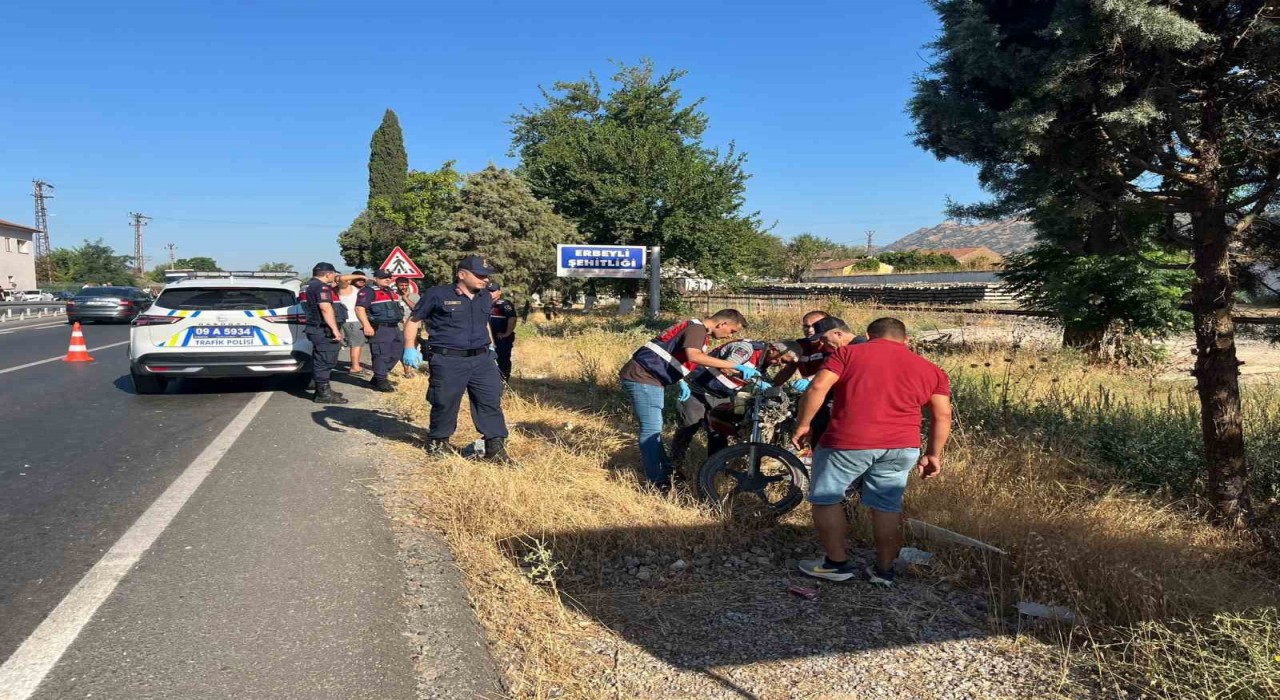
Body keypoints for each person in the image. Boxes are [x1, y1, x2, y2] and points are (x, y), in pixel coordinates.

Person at [792, 317, 953, 587]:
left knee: (826, 498)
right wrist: (933, 453)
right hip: (903, 446)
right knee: (886, 505)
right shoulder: (931, 369)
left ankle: (835, 565)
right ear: (906, 340)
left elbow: (818, 387)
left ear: (868, 335)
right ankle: (884, 571)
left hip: (847, 442)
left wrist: (804, 424)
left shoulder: (848, 353)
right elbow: (943, 414)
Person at [617, 309, 759, 493]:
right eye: (731, 331)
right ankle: (659, 483)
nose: (728, 336)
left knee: (654, 429)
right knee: (650, 430)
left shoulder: (696, 329)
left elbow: (675, 355)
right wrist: (734, 365)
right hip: (644, 377)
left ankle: (665, 472)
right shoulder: (697, 330)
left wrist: (680, 381)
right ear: (722, 324)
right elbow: (694, 356)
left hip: (650, 378)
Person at [401, 255, 511, 463]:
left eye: (486, 276)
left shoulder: (485, 297)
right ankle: (439, 443)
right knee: (444, 402)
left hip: (482, 359)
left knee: (490, 401)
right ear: (462, 274)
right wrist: (409, 348)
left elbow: (483, 323)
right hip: (448, 360)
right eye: (480, 275)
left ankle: (495, 450)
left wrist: (491, 348)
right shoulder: (437, 294)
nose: (485, 280)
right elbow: (414, 320)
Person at [671, 340, 800, 468]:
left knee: (718, 435)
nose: (780, 365)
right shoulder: (747, 349)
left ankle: (714, 471)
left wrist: (789, 371)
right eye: (783, 360)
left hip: (722, 396)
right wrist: (750, 377)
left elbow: (772, 384)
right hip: (697, 390)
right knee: (687, 429)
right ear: (773, 349)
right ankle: (674, 467)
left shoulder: (763, 362)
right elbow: (726, 367)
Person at [300, 262, 349, 405]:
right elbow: (325, 309)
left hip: (316, 328)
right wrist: (335, 330)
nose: (335, 276)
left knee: (321, 358)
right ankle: (323, 393)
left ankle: (322, 390)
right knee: (326, 360)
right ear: (328, 274)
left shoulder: (308, 285)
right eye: (333, 274)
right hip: (323, 329)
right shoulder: (320, 287)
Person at [355, 269, 405, 392]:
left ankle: (377, 378)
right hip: (380, 328)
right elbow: (359, 309)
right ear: (376, 278)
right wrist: (366, 325)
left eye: (389, 277)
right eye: (383, 277)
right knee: (381, 355)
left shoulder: (390, 291)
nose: (387, 279)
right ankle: (381, 381)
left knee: (397, 353)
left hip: (394, 327)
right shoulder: (369, 291)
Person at [337, 271, 369, 376]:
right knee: (355, 345)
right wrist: (361, 275)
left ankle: (356, 366)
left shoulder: (361, 291)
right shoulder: (347, 289)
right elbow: (341, 278)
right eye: (359, 279)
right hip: (351, 320)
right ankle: (355, 367)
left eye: (363, 280)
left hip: (357, 320)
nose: (361, 281)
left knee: (358, 344)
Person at [488, 282, 517, 381]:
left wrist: (506, 334)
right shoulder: (484, 303)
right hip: (487, 339)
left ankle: (503, 380)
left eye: (492, 291)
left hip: (501, 339)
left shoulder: (504, 304)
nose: (490, 293)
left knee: (502, 361)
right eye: (488, 291)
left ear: (499, 292)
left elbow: (512, 318)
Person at [395, 277, 423, 376]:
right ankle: (407, 370)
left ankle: (409, 369)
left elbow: (418, 309)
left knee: (412, 347)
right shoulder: (394, 296)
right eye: (401, 285)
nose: (404, 287)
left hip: (414, 327)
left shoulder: (415, 296)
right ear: (397, 285)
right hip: (399, 327)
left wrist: (406, 298)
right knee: (402, 349)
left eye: (406, 285)